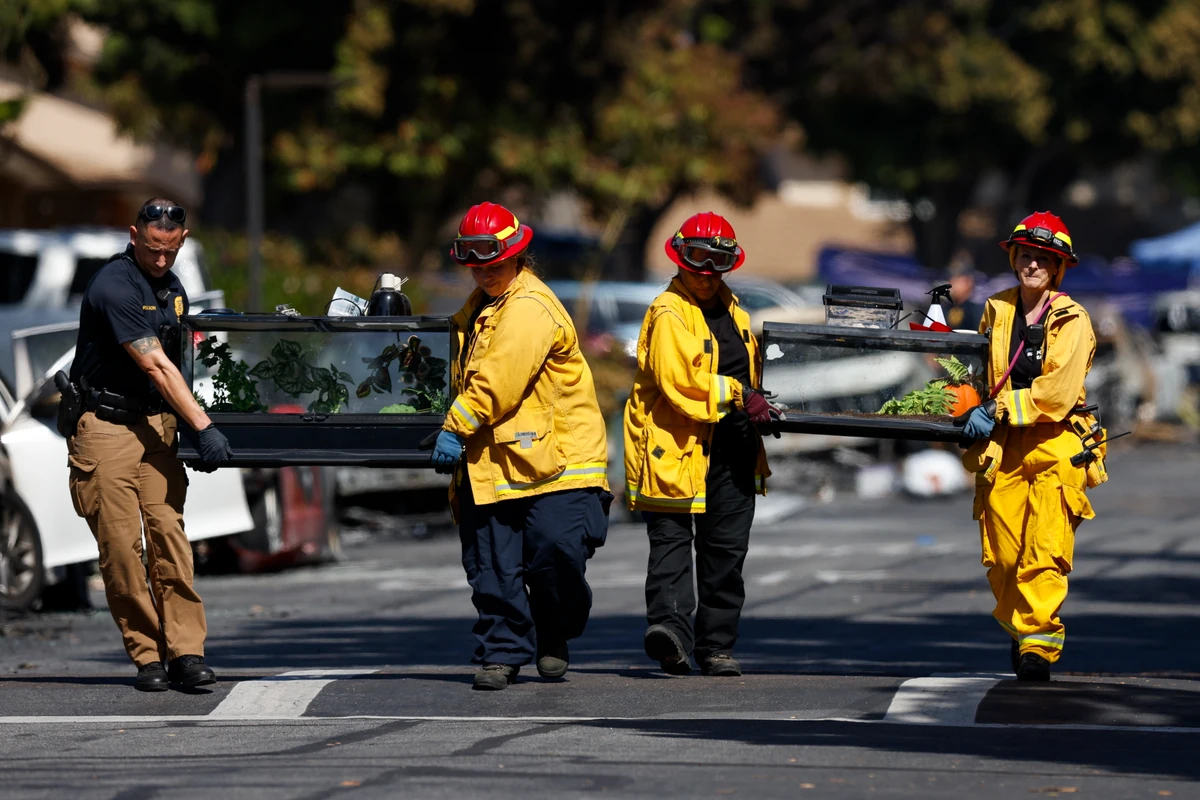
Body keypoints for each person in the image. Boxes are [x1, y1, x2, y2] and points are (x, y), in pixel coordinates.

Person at [430, 201, 611, 691]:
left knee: (555, 558)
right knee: (492, 568)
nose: (484, 273)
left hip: (557, 464)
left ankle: (554, 629)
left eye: (493, 263)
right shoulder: (478, 310)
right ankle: (502, 653)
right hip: (493, 465)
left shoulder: (529, 308)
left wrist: (455, 426)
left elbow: (498, 380)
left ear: (516, 256)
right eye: (475, 266)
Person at [67, 198, 233, 692]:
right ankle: (147, 654)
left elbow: (183, 360)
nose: (160, 260)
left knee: (170, 540)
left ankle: (185, 652)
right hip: (107, 426)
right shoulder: (114, 284)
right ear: (134, 235)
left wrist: (189, 425)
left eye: (170, 251)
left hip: (156, 427)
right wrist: (203, 427)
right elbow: (156, 364)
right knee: (121, 548)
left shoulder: (173, 287)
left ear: (181, 241)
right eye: (152, 249)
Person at [623, 211, 778, 677]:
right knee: (670, 545)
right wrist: (739, 395)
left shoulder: (735, 311)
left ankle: (717, 647)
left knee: (725, 554)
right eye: (697, 260)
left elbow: (747, 374)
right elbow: (681, 383)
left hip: (731, 449)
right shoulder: (668, 313)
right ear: (679, 257)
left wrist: (759, 405)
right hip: (675, 449)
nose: (707, 273)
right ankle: (670, 632)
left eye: (718, 262)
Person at [959, 211, 1106, 682]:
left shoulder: (1074, 320)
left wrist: (998, 409)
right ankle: (1022, 628)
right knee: (1003, 556)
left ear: (1059, 267)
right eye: (1026, 255)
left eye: (1045, 258)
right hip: (1004, 448)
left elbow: (1058, 395)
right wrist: (963, 407)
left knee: (1043, 550)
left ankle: (1038, 646)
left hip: (1056, 445)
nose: (1033, 263)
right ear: (1013, 258)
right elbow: (977, 372)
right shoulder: (997, 310)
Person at [945, 249, 985, 332]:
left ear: (969, 282)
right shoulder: (943, 309)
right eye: (951, 279)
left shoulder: (977, 312)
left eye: (957, 280)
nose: (951, 284)